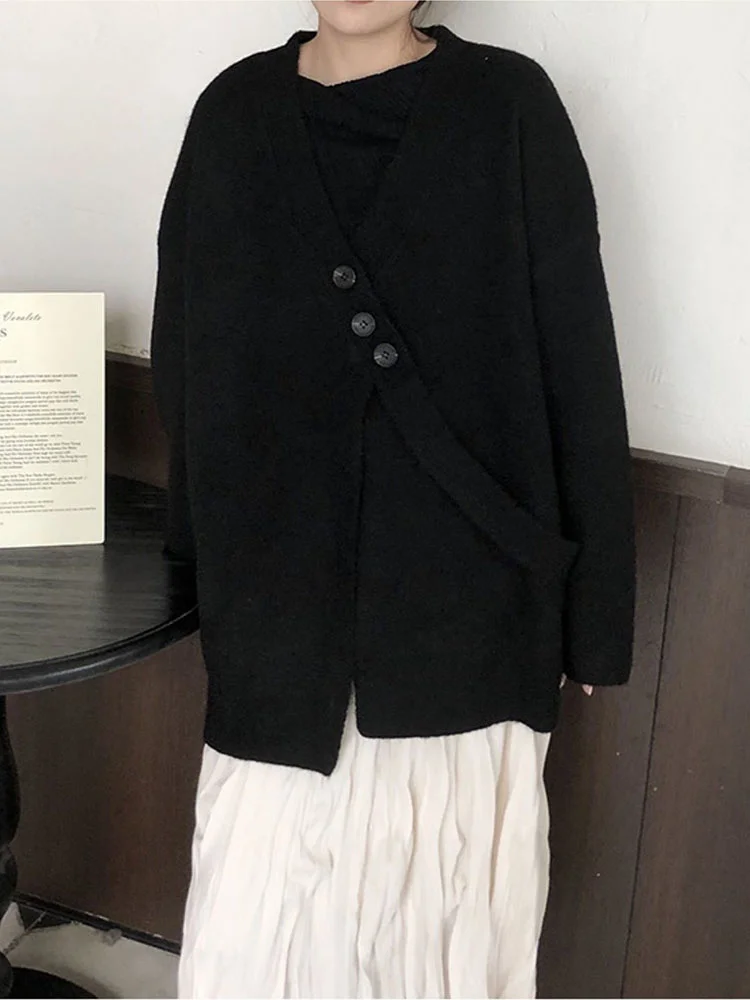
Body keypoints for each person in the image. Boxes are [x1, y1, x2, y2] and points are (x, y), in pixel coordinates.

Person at [149, 2, 636, 997]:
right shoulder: (231, 115)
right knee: (258, 931)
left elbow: (578, 362)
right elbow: (184, 356)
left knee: (440, 933)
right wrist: (202, 568)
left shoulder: (509, 106)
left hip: (469, 604)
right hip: (280, 613)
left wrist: (596, 620)